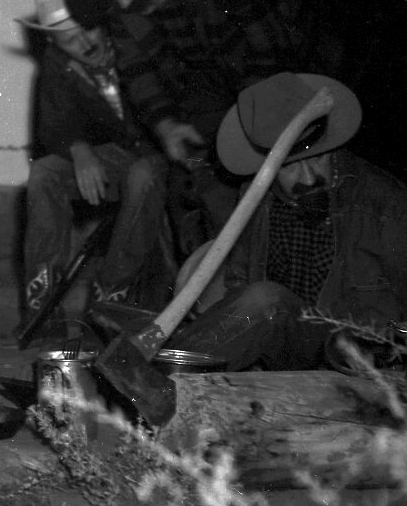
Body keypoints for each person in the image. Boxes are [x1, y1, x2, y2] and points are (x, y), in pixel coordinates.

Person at [59, 0, 319, 251]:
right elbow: (138, 69)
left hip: (285, 77)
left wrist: (243, 131)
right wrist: (166, 124)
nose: (122, 3)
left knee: (289, 193)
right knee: (205, 193)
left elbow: (273, 52)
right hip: (206, 90)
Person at [163, 71, 407, 371]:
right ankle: (162, 378)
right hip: (289, 349)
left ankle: (159, 381)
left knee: (265, 300)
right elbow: (239, 285)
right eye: (290, 167)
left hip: (355, 361)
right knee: (262, 300)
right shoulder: (255, 201)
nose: (308, 178)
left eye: (317, 159)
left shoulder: (382, 202)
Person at [12, 0, 169, 334]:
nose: (85, 43)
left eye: (88, 29)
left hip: (160, 155)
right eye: (70, 41)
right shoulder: (58, 64)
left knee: (143, 176)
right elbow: (53, 124)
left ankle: (109, 302)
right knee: (44, 175)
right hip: (115, 157)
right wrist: (79, 150)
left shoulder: (131, 40)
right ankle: (44, 308)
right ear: (55, 44)